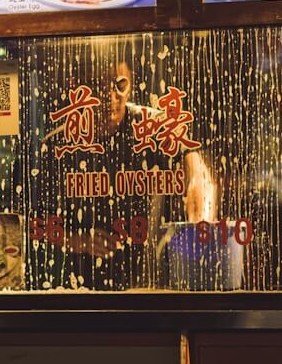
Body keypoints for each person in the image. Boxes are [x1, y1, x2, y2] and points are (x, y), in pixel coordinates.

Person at [37, 57, 217, 291]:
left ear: (131, 85)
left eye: (119, 85)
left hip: (148, 278)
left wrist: (200, 224)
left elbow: (199, 176)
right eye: (97, 86)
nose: (110, 96)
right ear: (80, 90)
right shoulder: (59, 145)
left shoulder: (152, 127)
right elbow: (37, 225)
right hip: (78, 285)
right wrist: (80, 241)